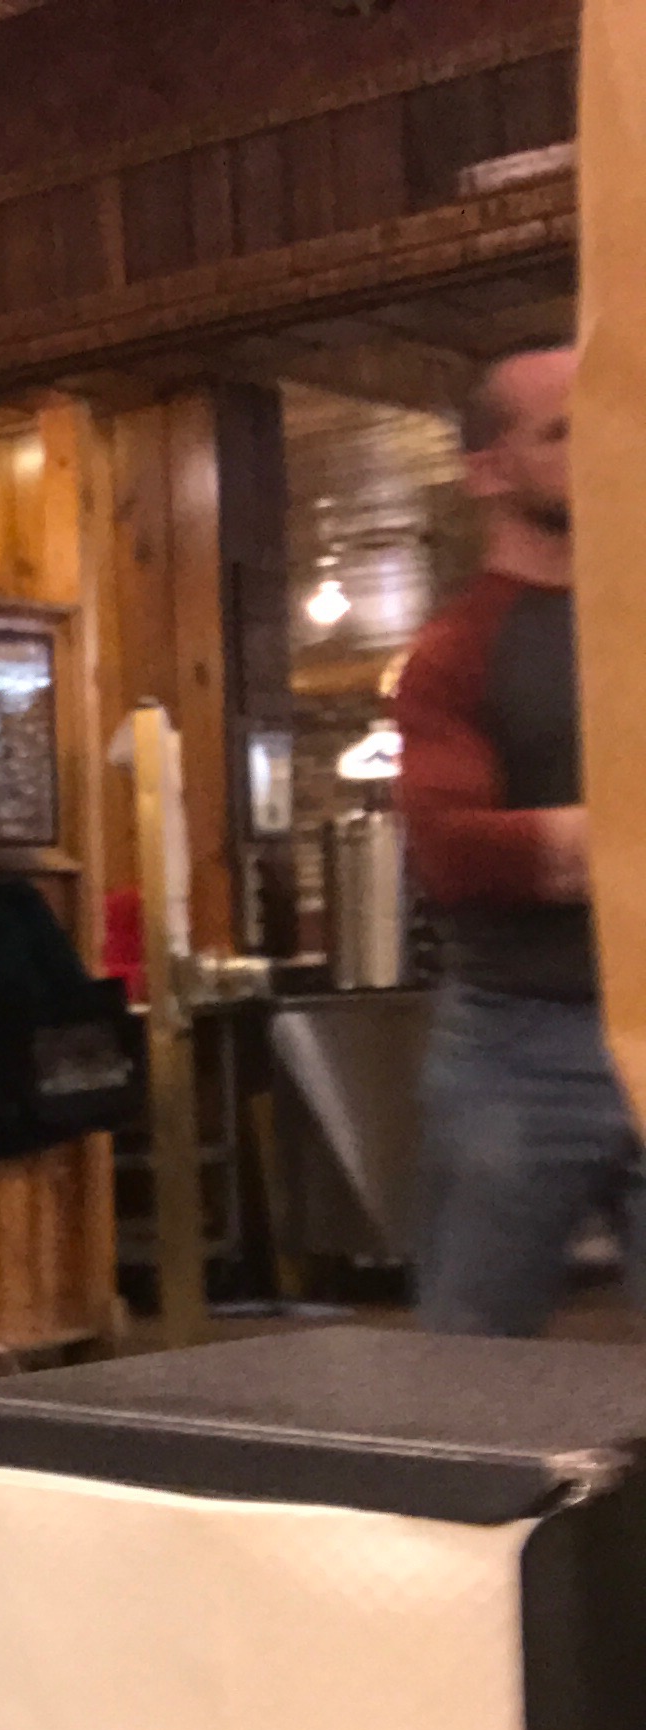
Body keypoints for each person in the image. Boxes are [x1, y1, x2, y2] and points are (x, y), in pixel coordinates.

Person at [398, 344, 639, 1336]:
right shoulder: (456, 651)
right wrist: (620, 842)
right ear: (487, 470)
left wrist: (574, 849)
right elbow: (453, 851)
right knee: (472, 1361)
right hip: (518, 1042)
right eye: (563, 431)